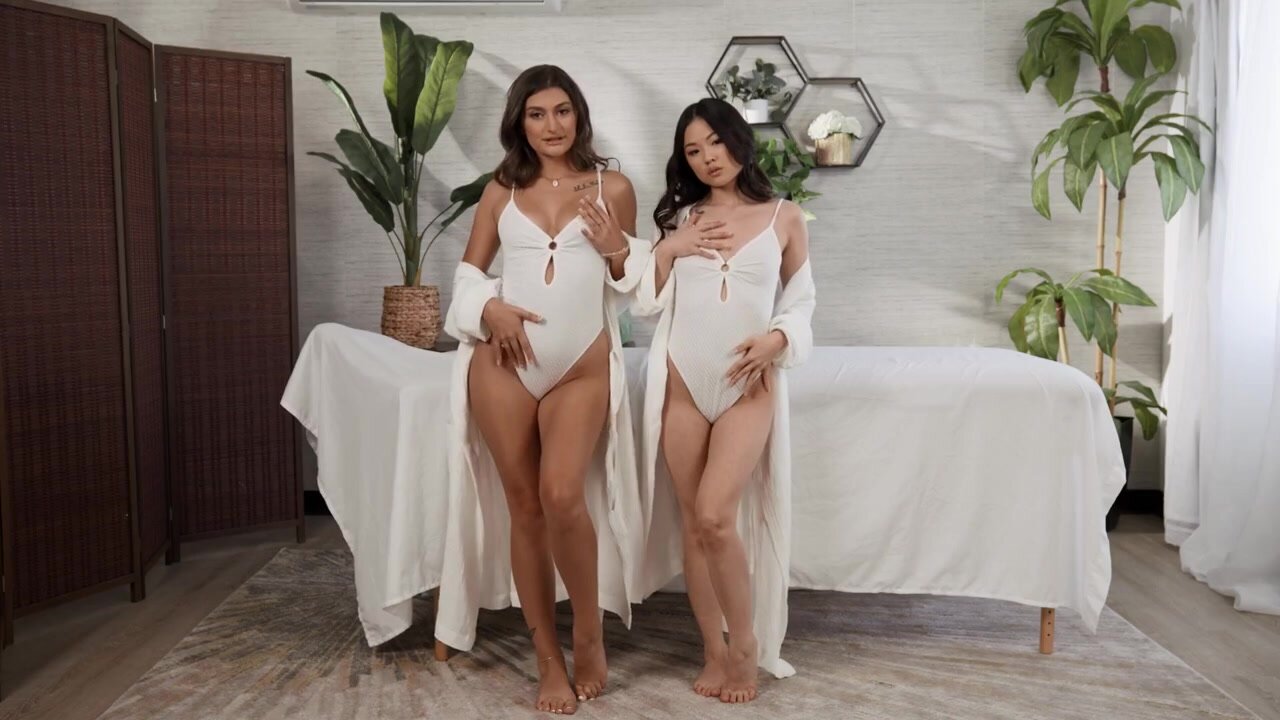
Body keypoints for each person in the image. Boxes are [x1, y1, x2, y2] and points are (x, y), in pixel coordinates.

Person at [437, 65, 650, 715]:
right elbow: (468, 275)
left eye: (562, 111)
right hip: (503, 363)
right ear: (520, 123)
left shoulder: (613, 187)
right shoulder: (501, 189)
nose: (551, 125)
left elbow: (632, 283)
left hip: (580, 364)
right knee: (525, 506)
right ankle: (548, 658)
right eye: (536, 114)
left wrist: (617, 249)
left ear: (578, 116)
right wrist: (488, 309)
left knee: (562, 494)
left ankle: (588, 634)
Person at [633, 97, 817, 703]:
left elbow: (802, 303)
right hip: (684, 385)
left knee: (716, 515)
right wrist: (668, 248)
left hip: (747, 387)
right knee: (695, 524)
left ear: (739, 140)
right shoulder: (680, 219)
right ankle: (712, 649)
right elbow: (646, 302)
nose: (707, 157)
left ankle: (745, 645)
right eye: (693, 150)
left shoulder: (784, 216)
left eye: (715, 141)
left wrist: (777, 339)